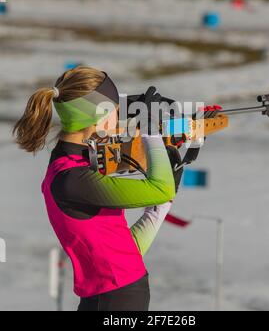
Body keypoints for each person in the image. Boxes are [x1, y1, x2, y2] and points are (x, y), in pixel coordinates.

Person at [13, 66, 183, 311]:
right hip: (119, 299)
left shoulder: (69, 168)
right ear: (101, 117)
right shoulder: (74, 180)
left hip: (113, 295)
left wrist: (156, 212)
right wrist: (150, 132)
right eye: (115, 111)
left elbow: (123, 253)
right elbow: (160, 188)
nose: (120, 119)